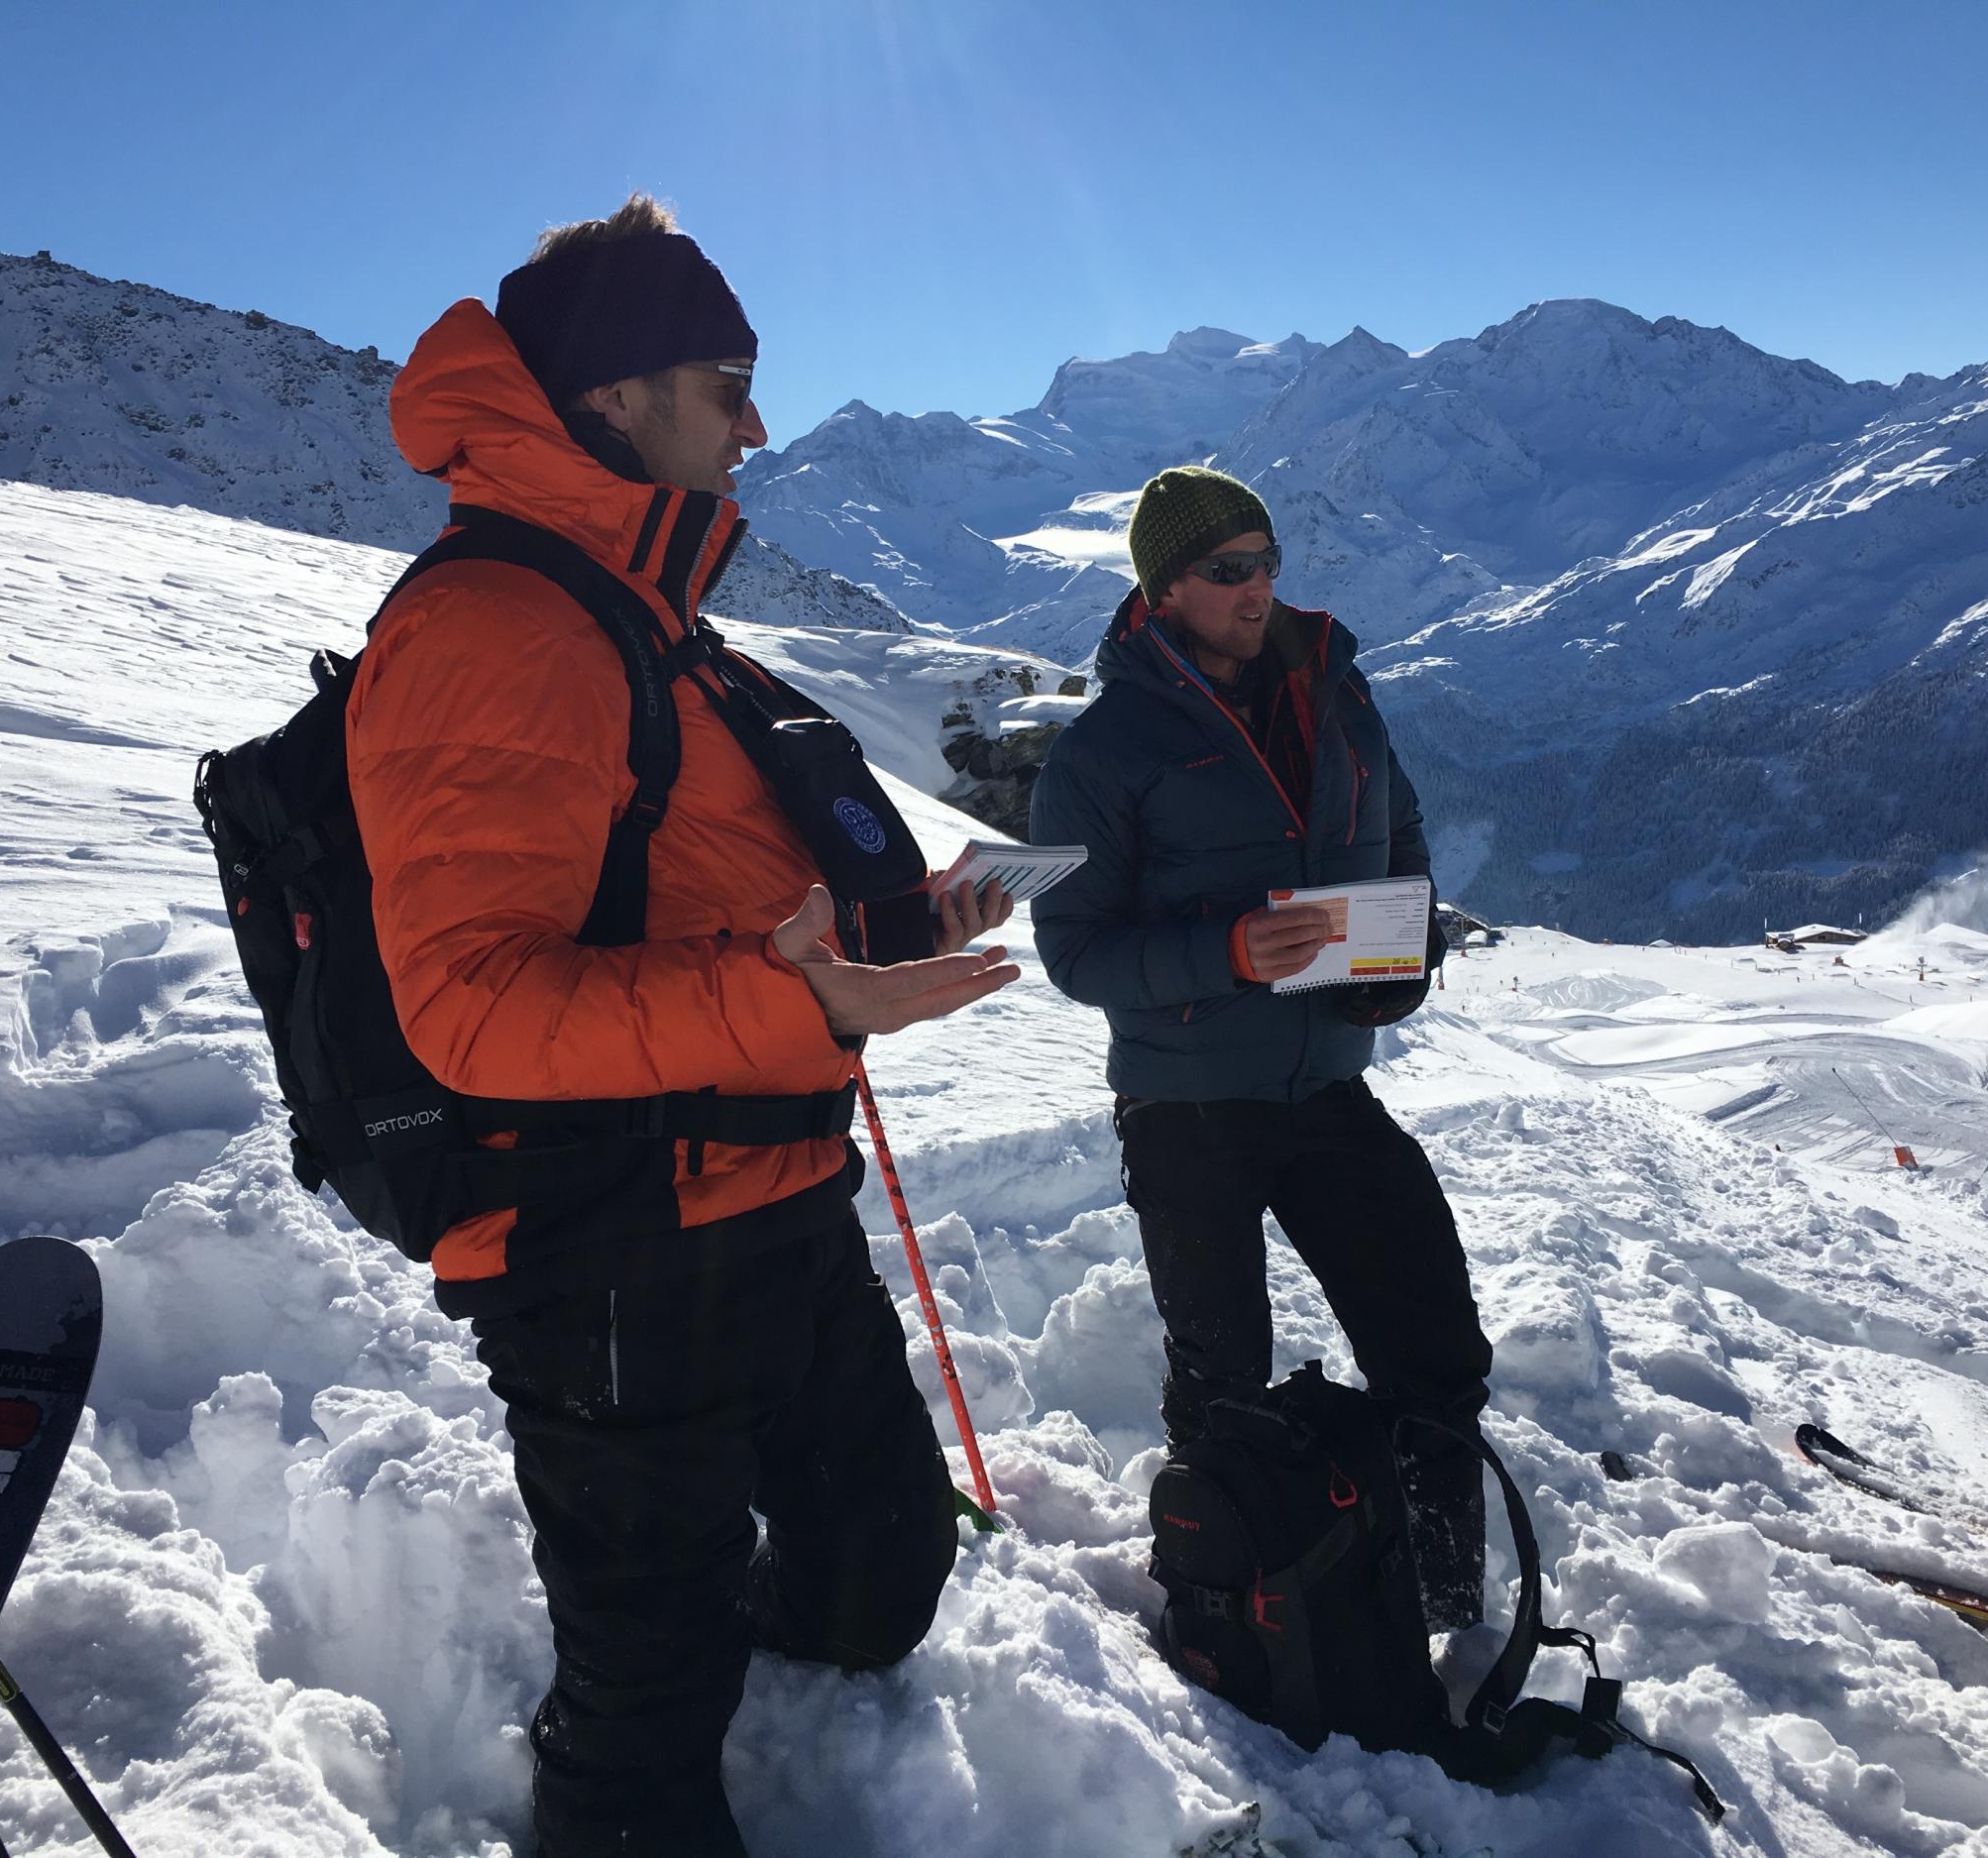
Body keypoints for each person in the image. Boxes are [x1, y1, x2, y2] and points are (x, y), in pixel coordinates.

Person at [344, 195, 1014, 1857]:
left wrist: (898, 926)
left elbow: (705, 894)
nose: (758, 423)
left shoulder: (650, 624)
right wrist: (787, 997)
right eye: (729, 381)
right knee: (648, 1715)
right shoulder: (496, 631)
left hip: (780, 1200)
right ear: (625, 393)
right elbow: (469, 1006)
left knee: (874, 1581)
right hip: (617, 1251)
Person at [1026, 465, 1493, 1626]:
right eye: (1226, 570)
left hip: (1329, 1083)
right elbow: (1076, 953)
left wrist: (1397, 960)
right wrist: (1227, 952)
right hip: (1186, 1106)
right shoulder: (1106, 749)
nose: (1257, 588)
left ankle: (1441, 1602)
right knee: (1222, 1379)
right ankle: (1222, 1604)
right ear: (1164, 588)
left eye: (1267, 561)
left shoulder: (1331, 689)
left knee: (1434, 1347)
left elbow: (1400, 833)